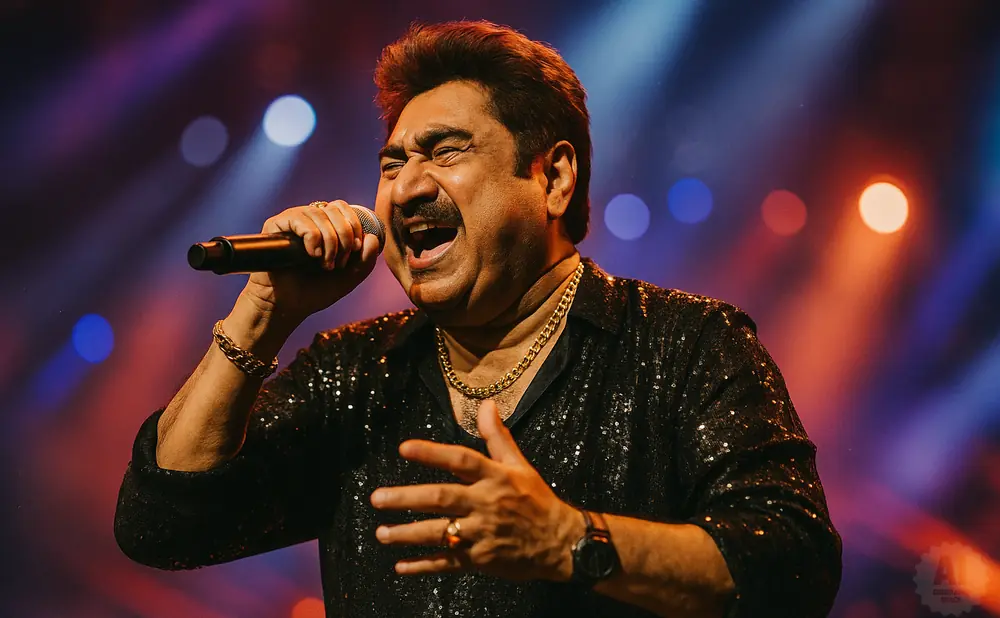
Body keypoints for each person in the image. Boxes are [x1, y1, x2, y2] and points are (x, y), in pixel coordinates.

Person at [114, 20, 841, 618]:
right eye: (392, 162)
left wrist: (570, 542)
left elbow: (794, 568)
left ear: (552, 178)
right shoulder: (356, 371)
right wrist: (266, 310)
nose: (405, 188)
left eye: (445, 151)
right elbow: (162, 524)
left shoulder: (687, 347)